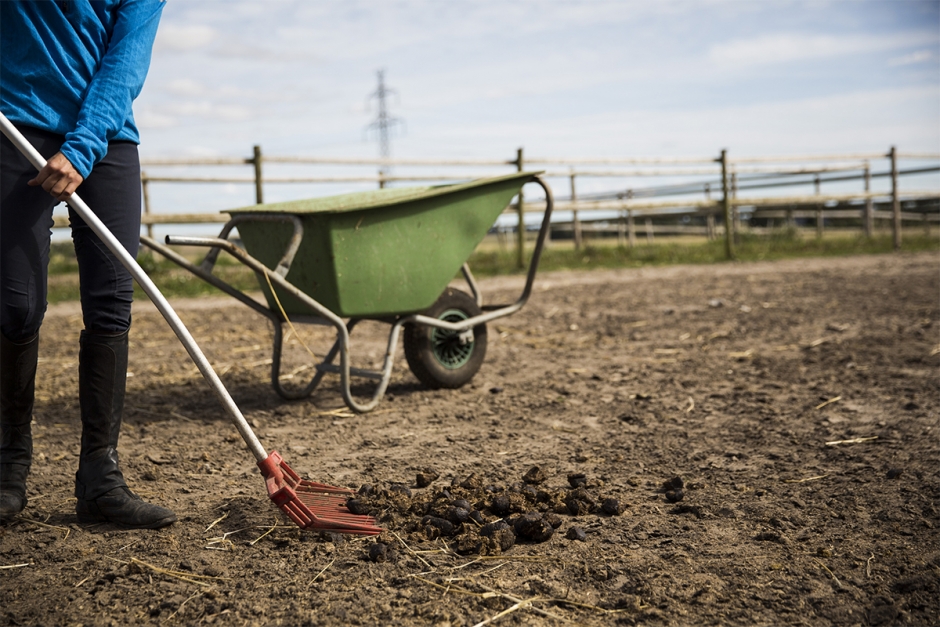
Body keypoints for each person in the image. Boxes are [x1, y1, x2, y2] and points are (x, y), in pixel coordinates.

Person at [1, 0, 175, 528]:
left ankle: (100, 477)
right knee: (16, 306)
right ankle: (8, 467)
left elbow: (126, 61)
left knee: (111, 303)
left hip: (106, 135)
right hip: (16, 121)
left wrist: (82, 147)